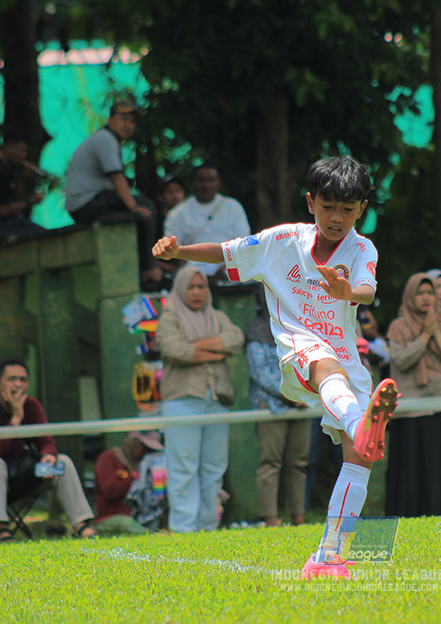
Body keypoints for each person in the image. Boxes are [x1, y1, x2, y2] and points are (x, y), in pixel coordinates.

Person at [153, 155, 399, 580]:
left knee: (358, 460)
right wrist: (180, 252)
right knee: (326, 370)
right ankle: (362, 424)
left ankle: (328, 557)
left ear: (362, 209)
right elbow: (227, 251)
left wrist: (348, 291)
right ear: (310, 202)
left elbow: (365, 289)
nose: (336, 217)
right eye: (328, 206)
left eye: (347, 208)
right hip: (298, 350)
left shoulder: (363, 248)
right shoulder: (282, 241)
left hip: (346, 359)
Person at [0, 359, 97, 541]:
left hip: (20, 475)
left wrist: (48, 456)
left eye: (23, 380)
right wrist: (16, 419)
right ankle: (1, 527)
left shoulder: (32, 405)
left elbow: (46, 441)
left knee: (62, 462)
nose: (18, 384)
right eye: (11, 379)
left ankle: (81, 525)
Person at [155, 264, 244, 532]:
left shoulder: (217, 316)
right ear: (181, 290)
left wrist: (196, 345)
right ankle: (184, 529)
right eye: (191, 287)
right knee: (183, 469)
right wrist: (216, 351)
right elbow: (175, 350)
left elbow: (236, 339)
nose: (197, 292)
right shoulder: (170, 318)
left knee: (214, 469)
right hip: (182, 401)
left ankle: (208, 527)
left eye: (201, 286)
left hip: (216, 399)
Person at [384, 273, 441, 517]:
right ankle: (414, 513)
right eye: (420, 293)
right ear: (410, 296)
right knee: (415, 468)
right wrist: (424, 335)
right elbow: (401, 361)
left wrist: (437, 334)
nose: (426, 298)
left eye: (430, 293)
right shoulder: (398, 326)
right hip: (412, 407)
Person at [64, 100, 162, 291]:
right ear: (110, 119)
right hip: (87, 202)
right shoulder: (105, 139)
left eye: (132, 122)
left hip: (88, 202)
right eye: (123, 119)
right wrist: (134, 208)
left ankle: (145, 265)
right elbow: (117, 177)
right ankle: (149, 267)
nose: (128, 125)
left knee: (141, 208)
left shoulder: (107, 140)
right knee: (147, 208)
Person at [246, 298, 311, 527]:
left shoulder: (301, 324)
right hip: (271, 406)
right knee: (270, 462)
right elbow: (260, 372)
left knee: (299, 462)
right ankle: (271, 518)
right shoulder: (257, 329)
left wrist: (303, 393)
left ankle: (298, 517)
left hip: (301, 403)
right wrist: (290, 395)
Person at [163, 163, 251, 280]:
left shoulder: (233, 207)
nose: (205, 185)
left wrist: (225, 268)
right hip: (193, 272)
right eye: (201, 180)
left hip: (229, 269)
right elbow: (172, 248)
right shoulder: (178, 213)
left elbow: (243, 244)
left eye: (210, 180)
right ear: (192, 183)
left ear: (219, 183)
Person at [0, 133, 46, 244]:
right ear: (8, 146)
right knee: (45, 237)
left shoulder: (5, 171)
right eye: (21, 150)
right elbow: (3, 210)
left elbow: (13, 201)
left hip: (4, 224)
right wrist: (30, 201)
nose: (23, 156)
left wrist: (23, 180)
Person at [93, 430, 165, 535]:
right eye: (144, 449)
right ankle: (153, 536)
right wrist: (131, 478)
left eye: (149, 451)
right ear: (134, 445)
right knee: (125, 523)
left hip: (135, 516)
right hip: (111, 517)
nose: (145, 454)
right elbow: (110, 492)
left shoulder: (139, 464)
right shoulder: (109, 458)